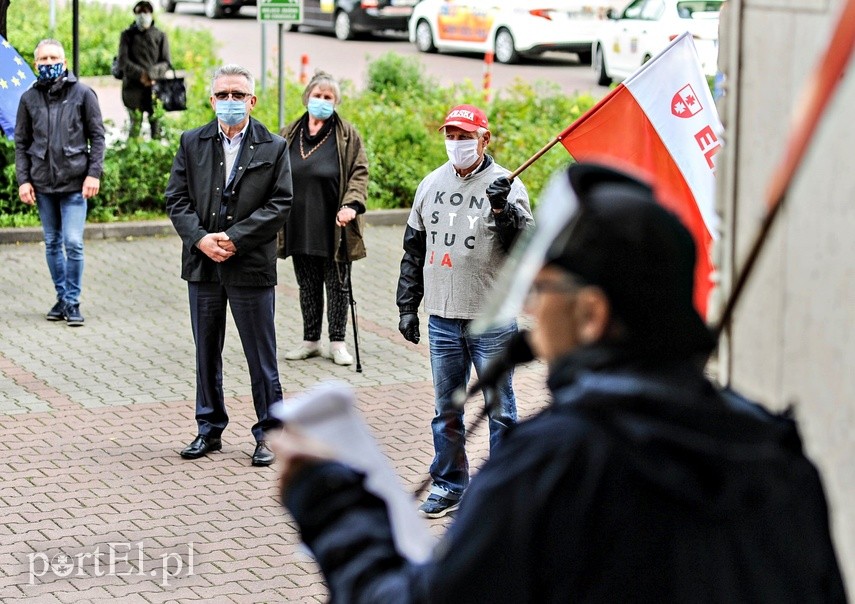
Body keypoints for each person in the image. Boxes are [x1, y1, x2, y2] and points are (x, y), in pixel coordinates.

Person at [269, 162, 848, 602]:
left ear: (592, 314)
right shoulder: (771, 452)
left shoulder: (558, 463)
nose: (529, 305)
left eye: (542, 288)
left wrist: (331, 504)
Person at [396, 104, 534, 517]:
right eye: (451, 136)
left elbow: (525, 248)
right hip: (442, 318)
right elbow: (413, 250)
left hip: (491, 318)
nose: (456, 144)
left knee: (500, 409)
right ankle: (449, 485)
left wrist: (502, 210)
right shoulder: (430, 184)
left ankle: (502, 491)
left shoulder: (507, 184)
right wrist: (408, 305)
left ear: (484, 139)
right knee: (446, 410)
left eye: (465, 136)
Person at [165, 64, 292, 467]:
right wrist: (201, 239)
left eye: (238, 95)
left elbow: (280, 204)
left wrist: (235, 239)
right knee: (206, 351)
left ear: (252, 101)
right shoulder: (192, 142)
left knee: (261, 355)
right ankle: (209, 428)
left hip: (250, 265)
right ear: (212, 100)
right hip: (203, 265)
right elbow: (177, 199)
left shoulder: (274, 147)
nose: (231, 102)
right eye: (223, 95)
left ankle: (269, 433)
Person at [278, 70, 368, 367]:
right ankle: (311, 341)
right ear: (307, 97)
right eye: (317, 95)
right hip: (298, 223)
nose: (321, 101)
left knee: (338, 286)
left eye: (328, 97)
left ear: (336, 101)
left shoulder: (346, 134)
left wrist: (351, 204)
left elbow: (359, 172)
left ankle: (338, 343)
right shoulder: (288, 132)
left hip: (335, 225)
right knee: (308, 285)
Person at [15, 38, 106, 327]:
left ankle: (72, 301)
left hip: (75, 184)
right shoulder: (28, 99)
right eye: (43, 59)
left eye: (54, 57)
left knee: (73, 242)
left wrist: (94, 173)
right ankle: (63, 298)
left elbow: (98, 137)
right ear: (35, 64)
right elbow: (21, 143)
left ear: (64, 63)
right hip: (42, 184)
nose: (49, 63)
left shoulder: (82, 94)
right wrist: (23, 180)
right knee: (53, 243)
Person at [117, 1, 171, 139]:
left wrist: (152, 75)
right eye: (139, 12)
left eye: (146, 12)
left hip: (155, 87)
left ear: (151, 13)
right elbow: (123, 61)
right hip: (133, 88)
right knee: (135, 126)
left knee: (156, 127)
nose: (143, 15)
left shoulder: (160, 35)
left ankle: (156, 157)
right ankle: (133, 157)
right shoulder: (127, 35)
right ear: (135, 14)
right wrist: (141, 75)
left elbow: (166, 62)